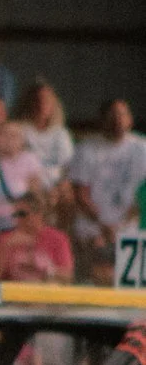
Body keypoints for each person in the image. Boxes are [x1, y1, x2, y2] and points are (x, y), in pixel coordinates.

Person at [71, 99, 146, 254]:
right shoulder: (86, 149)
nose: (118, 120)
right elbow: (80, 195)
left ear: (130, 119)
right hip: (93, 225)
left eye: (122, 115)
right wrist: (104, 225)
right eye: (113, 115)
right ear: (102, 120)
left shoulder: (141, 148)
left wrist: (123, 225)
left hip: (131, 223)